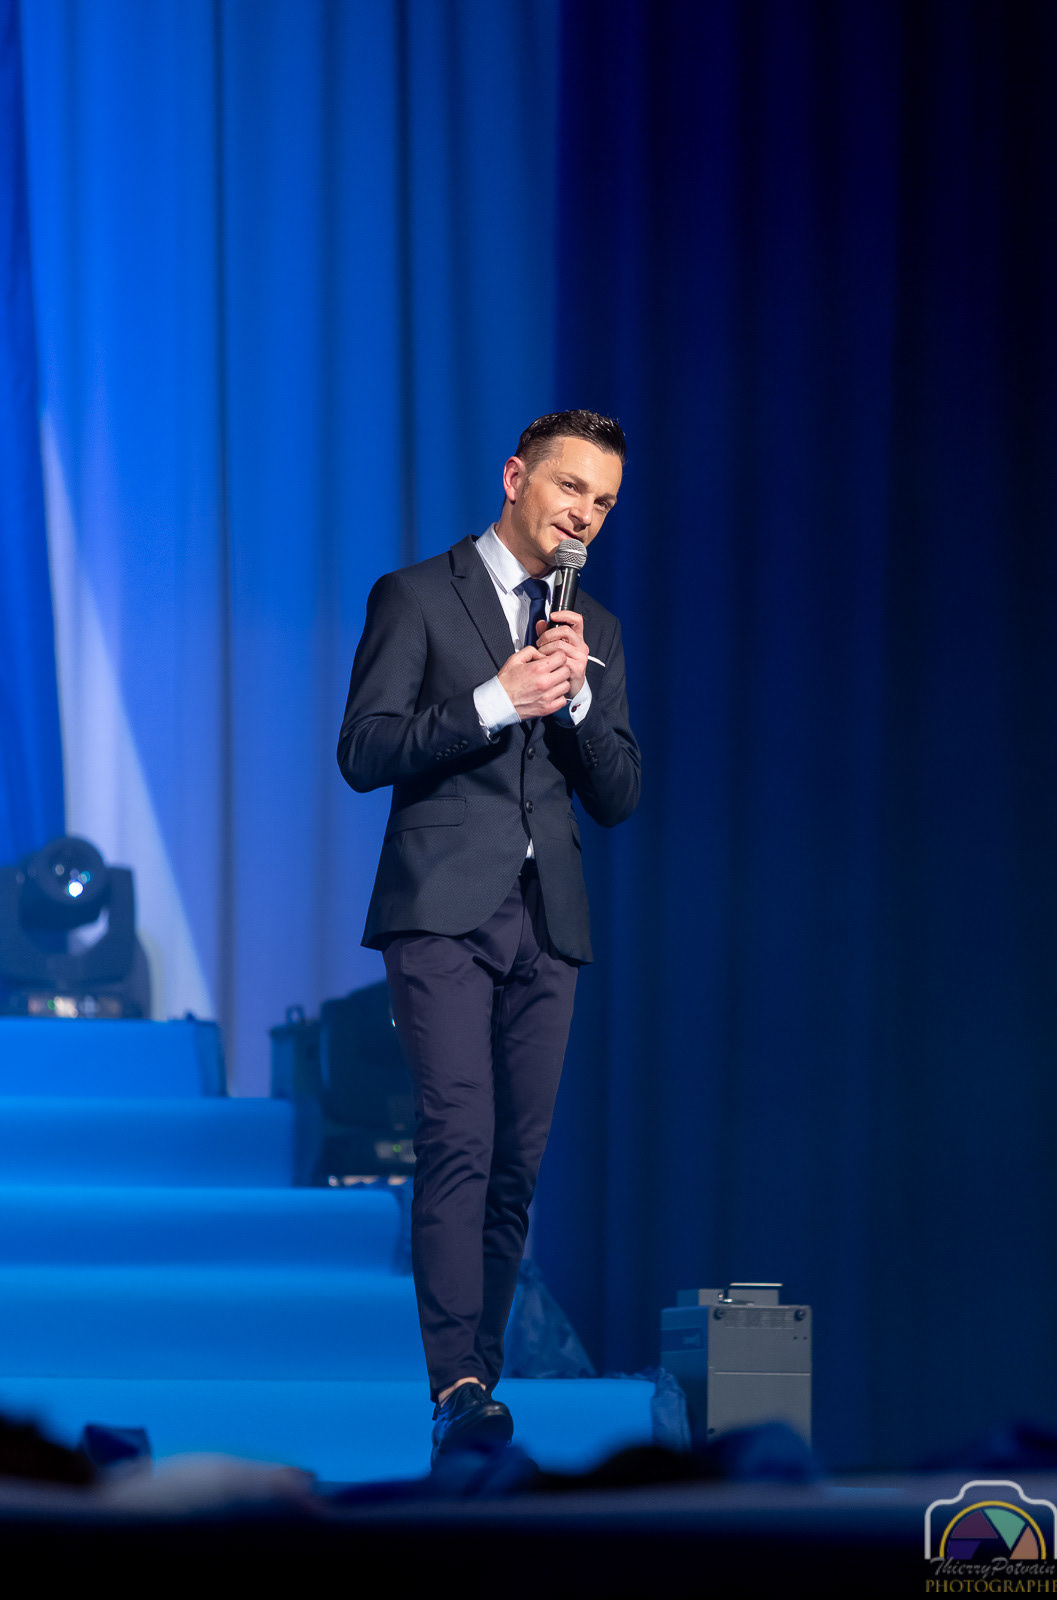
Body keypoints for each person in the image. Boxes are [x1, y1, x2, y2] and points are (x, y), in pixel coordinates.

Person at [337, 410, 639, 1463]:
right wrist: (493, 700)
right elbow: (364, 750)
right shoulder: (417, 594)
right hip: (439, 909)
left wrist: (579, 699)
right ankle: (454, 1383)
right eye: (569, 487)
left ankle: (477, 1389)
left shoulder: (592, 627)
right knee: (458, 1134)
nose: (583, 514)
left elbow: (618, 795)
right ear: (516, 478)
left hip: (547, 919)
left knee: (516, 1163)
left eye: (603, 501)